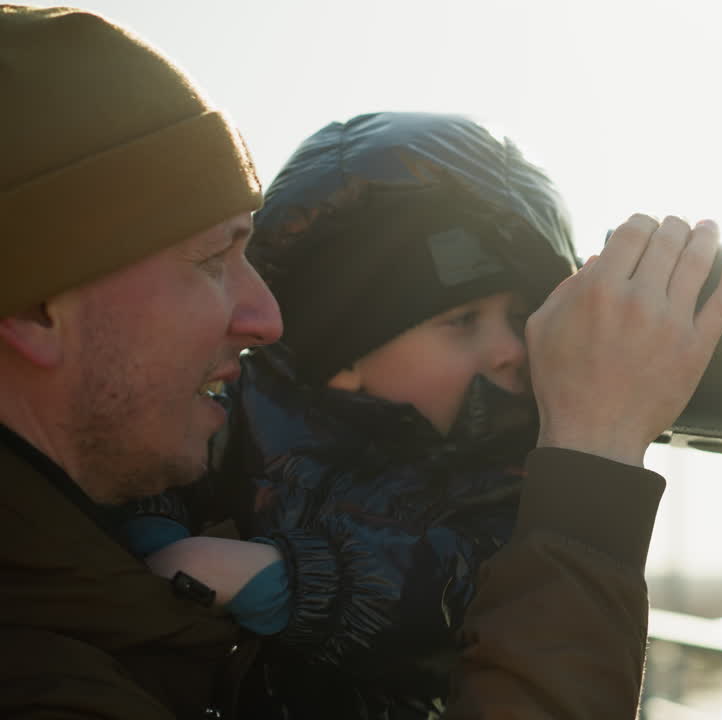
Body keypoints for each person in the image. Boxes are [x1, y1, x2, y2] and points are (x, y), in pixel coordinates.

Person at [0, 6, 722, 720]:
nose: (267, 319)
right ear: (39, 306)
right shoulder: (44, 674)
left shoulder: (80, 563)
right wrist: (592, 460)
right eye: (209, 261)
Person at [128, 111, 627, 718]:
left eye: (518, 318)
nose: (511, 350)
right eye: (462, 322)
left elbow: (468, 578)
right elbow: (141, 452)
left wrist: (299, 579)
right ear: (346, 355)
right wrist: (147, 524)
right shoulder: (231, 411)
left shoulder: (503, 475)